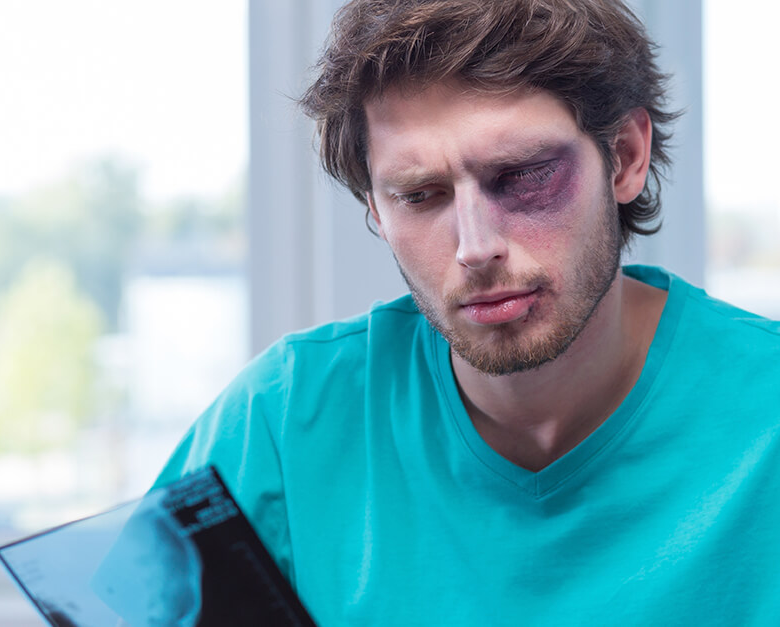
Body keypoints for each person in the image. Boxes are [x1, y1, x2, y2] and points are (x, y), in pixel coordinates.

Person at [154, 0, 780, 624]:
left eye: (525, 176)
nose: (475, 248)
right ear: (375, 209)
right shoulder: (286, 420)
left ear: (624, 157)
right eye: (419, 195)